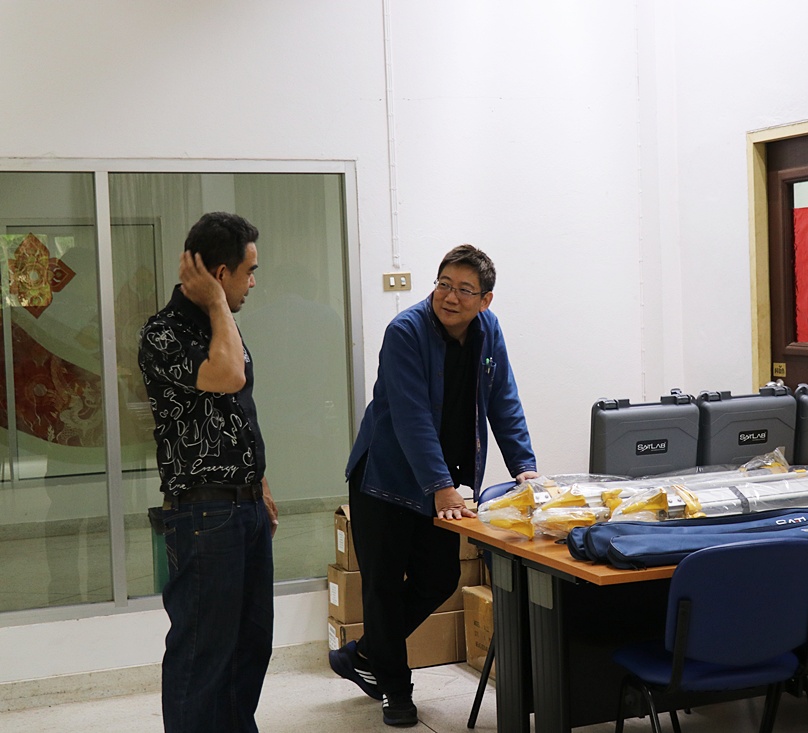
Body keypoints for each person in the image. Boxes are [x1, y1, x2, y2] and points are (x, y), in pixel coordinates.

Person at [329, 244, 537, 727]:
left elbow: (503, 398)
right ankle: (395, 690)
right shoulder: (405, 331)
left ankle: (363, 654)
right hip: (384, 480)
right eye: (444, 284)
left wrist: (524, 467)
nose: (450, 297)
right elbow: (412, 417)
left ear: (485, 300)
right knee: (383, 588)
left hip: (437, 483)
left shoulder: (489, 330)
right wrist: (442, 487)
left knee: (440, 578)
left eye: (465, 289)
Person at [139, 212, 279, 733]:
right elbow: (228, 377)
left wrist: (259, 482)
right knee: (202, 651)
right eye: (248, 271)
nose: (253, 283)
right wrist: (219, 304)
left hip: (244, 507)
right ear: (221, 274)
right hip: (204, 514)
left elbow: (237, 410)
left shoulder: (221, 326)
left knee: (250, 644)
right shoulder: (162, 333)